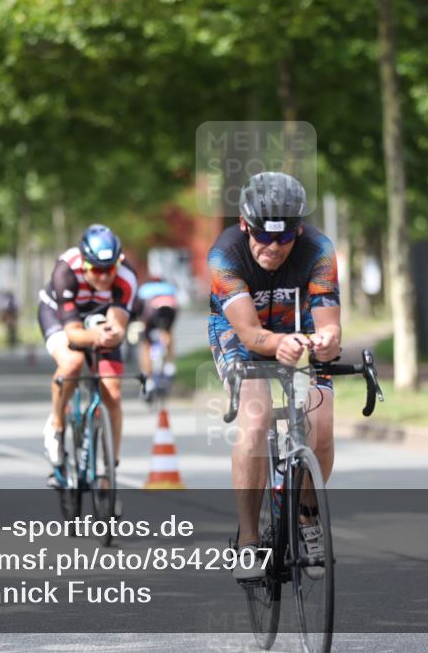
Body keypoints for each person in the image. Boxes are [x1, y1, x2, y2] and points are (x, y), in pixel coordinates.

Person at [207, 172, 341, 580]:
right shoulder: (224, 256)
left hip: (298, 326)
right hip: (238, 333)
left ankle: (306, 515)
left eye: (284, 239)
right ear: (245, 225)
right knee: (257, 419)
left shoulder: (318, 250)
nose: (274, 247)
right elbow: (250, 334)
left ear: (298, 230)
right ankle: (248, 542)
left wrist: (328, 341)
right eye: (264, 236)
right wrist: (278, 344)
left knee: (321, 423)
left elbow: (330, 326)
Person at [38, 224, 137, 483]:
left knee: (113, 393)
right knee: (72, 363)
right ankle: (57, 425)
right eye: (97, 269)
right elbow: (72, 334)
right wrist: (96, 336)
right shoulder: (66, 270)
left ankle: (109, 471)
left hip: (98, 320)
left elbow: (118, 326)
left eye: (110, 269)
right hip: (59, 317)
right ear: (84, 263)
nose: (104, 277)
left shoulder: (126, 277)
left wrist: (113, 334)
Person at [135, 276, 178, 400]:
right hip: (170, 311)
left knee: (146, 343)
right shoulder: (169, 288)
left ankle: (148, 381)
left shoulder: (144, 289)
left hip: (151, 312)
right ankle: (170, 365)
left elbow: (139, 309)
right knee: (168, 332)